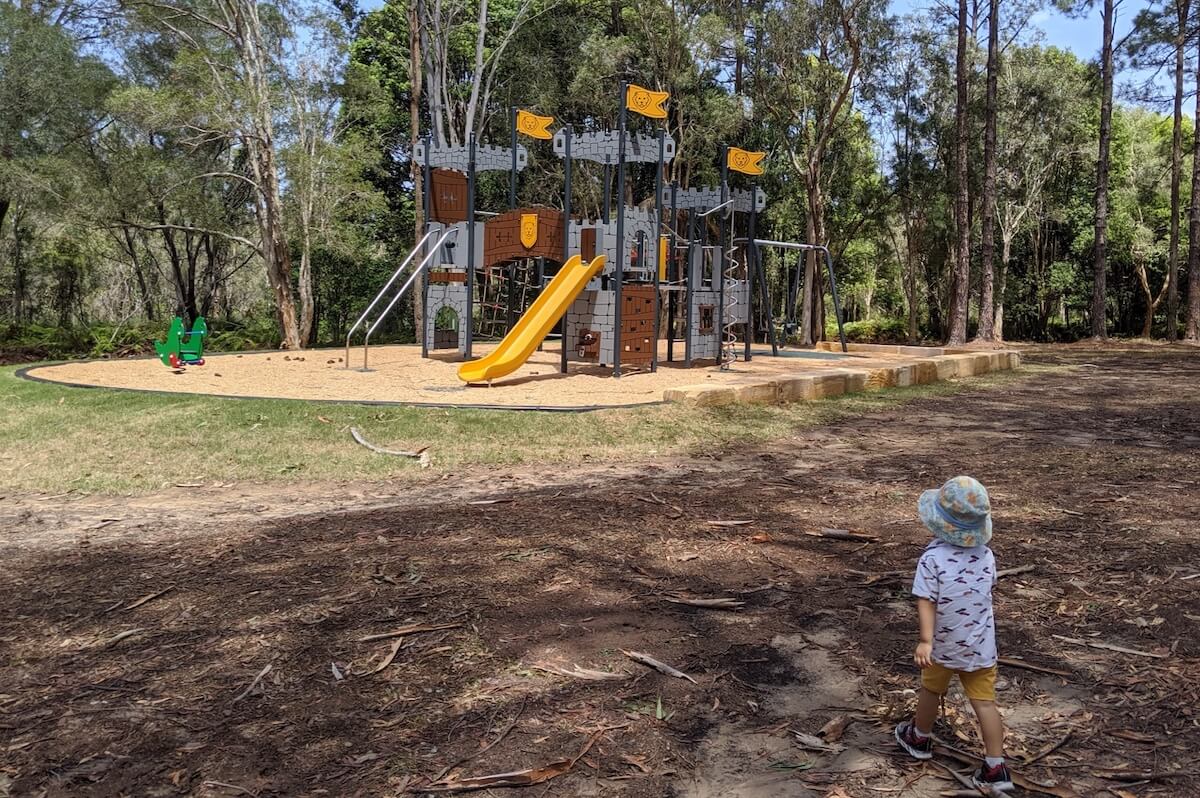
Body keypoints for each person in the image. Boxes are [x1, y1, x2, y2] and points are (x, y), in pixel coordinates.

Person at [893, 476, 1013, 793]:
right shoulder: (986, 556)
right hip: (981, 646)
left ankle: (919, 738)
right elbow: (986, 591)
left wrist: (926, 640)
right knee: (985, 703)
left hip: (943, 647)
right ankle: (995, 767)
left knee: (931, 692)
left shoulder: (932, 559)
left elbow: (926, 601)